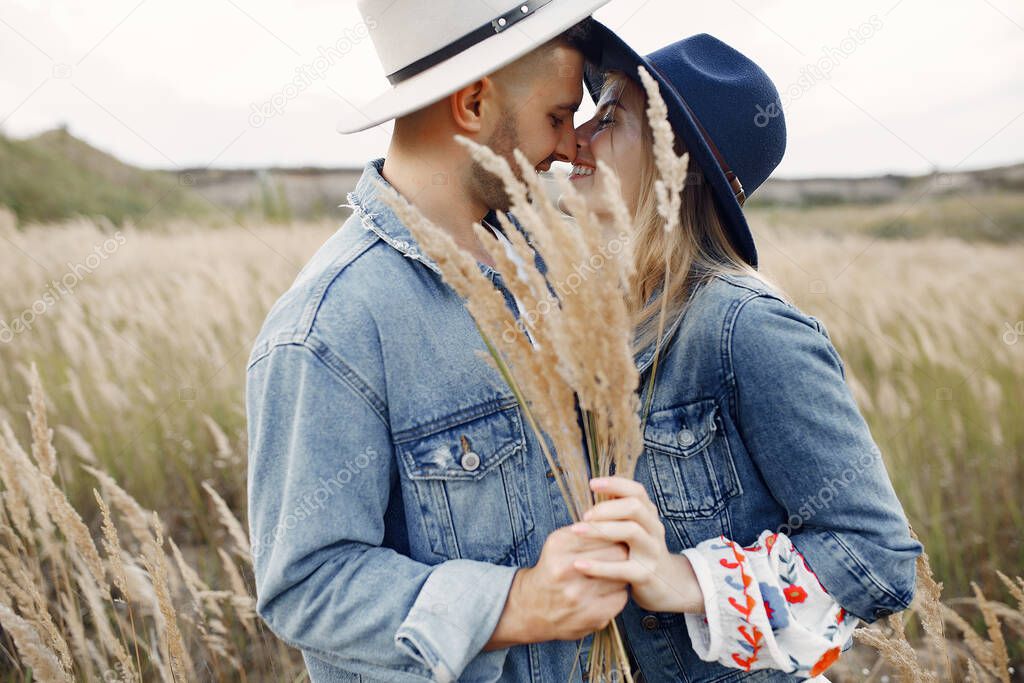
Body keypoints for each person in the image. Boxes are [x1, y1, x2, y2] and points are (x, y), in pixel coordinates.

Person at [246, 1, 636, 681]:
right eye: (556, 115)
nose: (573, 145)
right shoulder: (328, 325)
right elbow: (304, 586)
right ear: (474, 103)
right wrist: (519, 603)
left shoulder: (547, 263)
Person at [558, 22, 924, 680]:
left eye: (609, 116)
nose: (578, 138)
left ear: (680, 164)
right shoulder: (603, 324)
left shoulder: (747, 328)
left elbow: (879, 556)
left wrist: (687, 579)